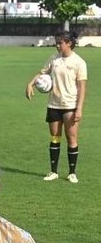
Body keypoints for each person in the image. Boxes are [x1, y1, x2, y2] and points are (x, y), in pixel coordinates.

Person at [25, 31, 87, 184]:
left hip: (70, 105)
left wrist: (79, 108)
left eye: (60, 42)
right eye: (56, 42)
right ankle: (53, 172)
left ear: (69, 43)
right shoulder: (54, 59)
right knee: (54, 137)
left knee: (71, 138)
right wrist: (30, 83)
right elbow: (42, 72)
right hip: (54, 104)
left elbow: (82, 87)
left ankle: (72, 173)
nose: (57, 45)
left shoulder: (79, 62)